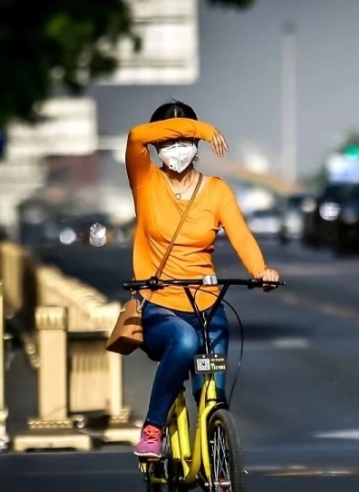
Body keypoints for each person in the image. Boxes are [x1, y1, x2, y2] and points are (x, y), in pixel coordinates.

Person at [125, 100, 281, 458]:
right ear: (158, 147)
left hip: (207, 305)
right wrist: (202, 128)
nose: (177, 147)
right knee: (182, 341)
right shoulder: (145, 181)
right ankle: (153, 427)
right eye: (170, 139)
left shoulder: (216, 190)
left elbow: (240, 235)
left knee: (212, 391)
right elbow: (136, 136)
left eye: (185, 138)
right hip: (159, 307)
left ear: (196, 150)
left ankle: (215, 446)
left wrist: (261, 271)